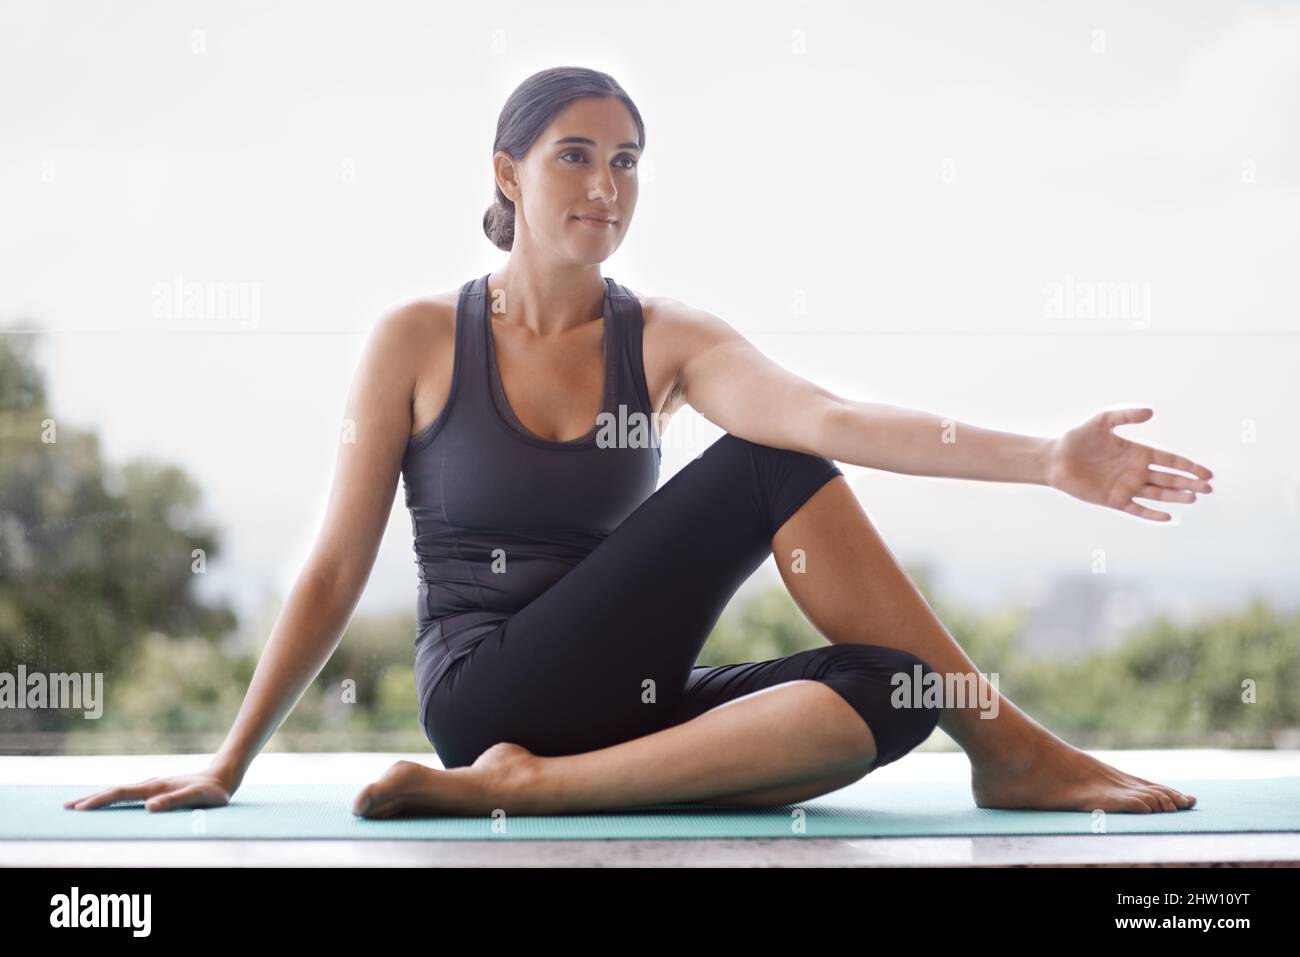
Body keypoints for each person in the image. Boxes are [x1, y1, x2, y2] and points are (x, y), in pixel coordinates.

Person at [66, 66, 1212, 819]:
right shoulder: (418, 338)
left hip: (623, 704)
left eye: (626, 162)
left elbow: (834, 420)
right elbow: (333, 565)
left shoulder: (668, 339)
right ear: (507, 174)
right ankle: (1010, 752)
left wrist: (1047, 460)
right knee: (765, 466)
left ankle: (542, 790)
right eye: (575, 154)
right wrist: (229, 760)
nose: (605, 184)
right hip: (484, 689)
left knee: (896, 689)